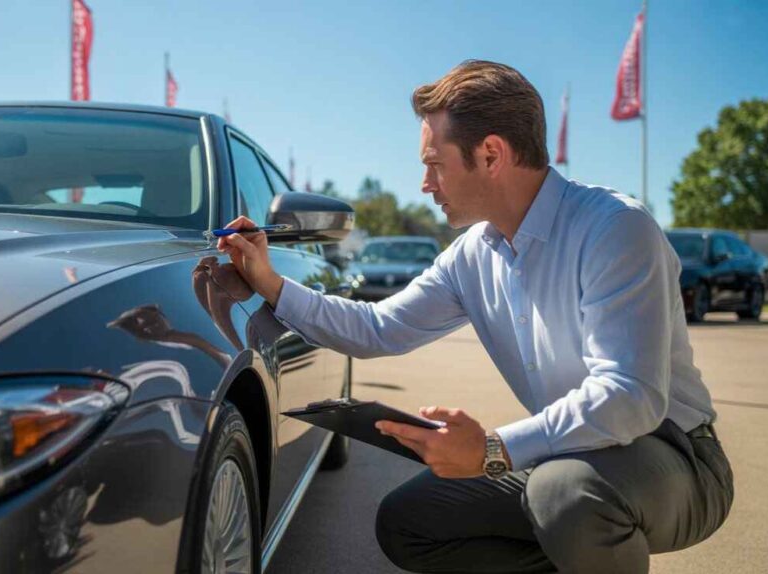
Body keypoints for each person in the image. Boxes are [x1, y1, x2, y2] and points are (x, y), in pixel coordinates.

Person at [217, 60, 733, 574]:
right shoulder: (473, 255)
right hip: (571, 457)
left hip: (675, 456)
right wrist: (270, 283)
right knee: (409, 522)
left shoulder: (615, 229)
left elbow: (630, 396)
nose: (425, 183)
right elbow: (378, 328)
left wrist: (492, 449)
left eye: (434, 164)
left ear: (491, 155)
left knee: (566, 496)